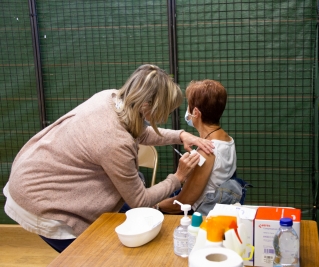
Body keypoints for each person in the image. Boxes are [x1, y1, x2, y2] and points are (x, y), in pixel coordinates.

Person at [3, 64, 214, 253]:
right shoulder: (114, 140)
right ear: (147, 105)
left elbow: (138, 131)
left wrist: (180, 135)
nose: (165, 116)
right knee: (93, 256)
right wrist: (178, 177)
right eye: (164, 110)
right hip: (38, 197)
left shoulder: (111, 97)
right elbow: (139, 201)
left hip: (36, 169)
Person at [157, 79, 243, 216]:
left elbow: (182, 204)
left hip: (198, 215)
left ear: (195, 112)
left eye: (188, 106)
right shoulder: (227, 139)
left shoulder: (207, 151)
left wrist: (153, 204)